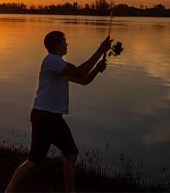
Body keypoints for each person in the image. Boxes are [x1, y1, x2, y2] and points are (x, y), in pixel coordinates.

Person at [6, 31, 112, 192]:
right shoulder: (52, 61)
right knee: (35, 160)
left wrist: (97, 69)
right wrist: (99, 51)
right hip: (44, 117)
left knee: (69, 153)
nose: (67, 44)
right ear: (56, 45)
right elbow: (79, 72)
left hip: (51, 117)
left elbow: (83, 80)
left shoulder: (59, 65)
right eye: (64, 41)